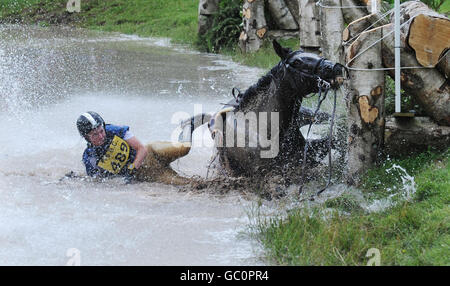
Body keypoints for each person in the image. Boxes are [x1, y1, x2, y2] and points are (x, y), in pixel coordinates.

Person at [76, 111, 192, 185]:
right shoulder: (89, 158)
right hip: (147, 174)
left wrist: (132, 167)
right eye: (95, 135)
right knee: (187, 184)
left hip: (152, 152)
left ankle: (187, 126)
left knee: (184, 148)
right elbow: (97, 182)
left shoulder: (114, 130)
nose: (101, 136)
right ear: (86, 137)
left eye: (101, 131)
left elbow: (141, 149)